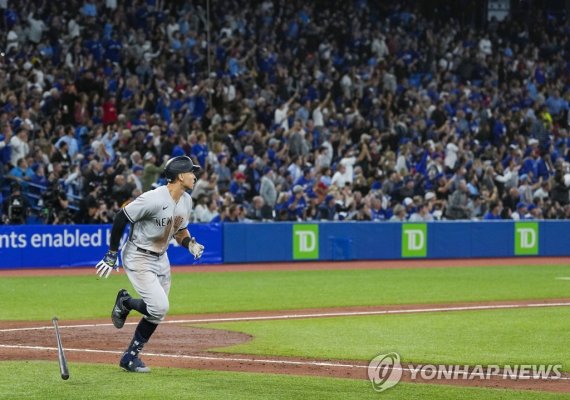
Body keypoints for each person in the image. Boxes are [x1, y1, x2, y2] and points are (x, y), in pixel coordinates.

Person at [95, 156, 205, 373]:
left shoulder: (186, 200)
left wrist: (189, 244)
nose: (195, 175)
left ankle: (130, 353)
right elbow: (120, 218)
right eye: (192, 172)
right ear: (181, 176)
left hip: (161, 257)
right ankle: (126, 311)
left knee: (157, 311)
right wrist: (111, 253)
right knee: (160, 306)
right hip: (139, 256)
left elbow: (179, 229)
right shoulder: (153, 198)